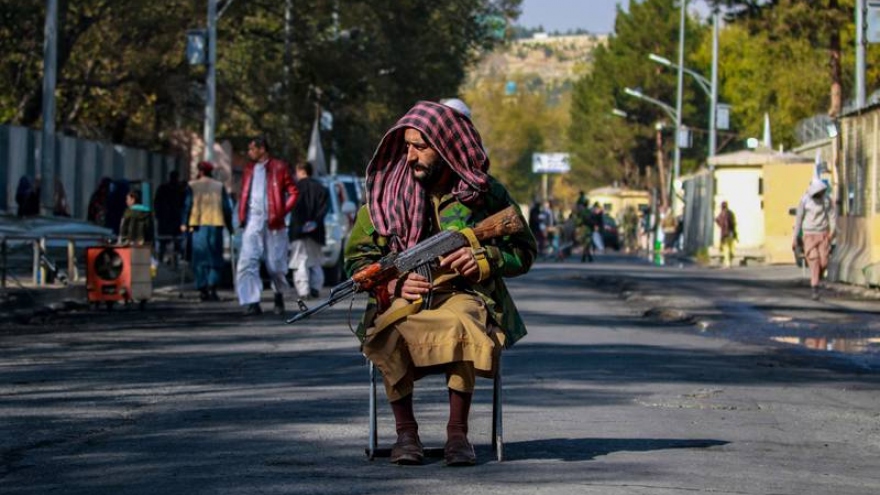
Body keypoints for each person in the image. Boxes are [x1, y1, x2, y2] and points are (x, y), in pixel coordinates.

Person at [344, 100, 536, 467]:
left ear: (446, 146)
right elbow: (357, 260)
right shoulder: (386, 195)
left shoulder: (486, 195)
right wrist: (395, 285)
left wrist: (483, 259)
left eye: (420, 146)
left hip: (464, 293)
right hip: (403, 296)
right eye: (407, 146)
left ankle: (457, 434)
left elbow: (524, 253)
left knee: (465, 321)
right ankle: (406, 434)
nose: (410, 155)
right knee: (391, 330)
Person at [236, 135, 298, 316]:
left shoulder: (279, 167)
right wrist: (241, 216)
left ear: (262, 149)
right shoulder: (249, 169)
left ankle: (278, 295)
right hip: (252, 221)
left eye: (252, 149)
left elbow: (294, 192)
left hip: (274, 223)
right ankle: (252, 301)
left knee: (275, 265)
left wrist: (281, 212)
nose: (249, 153)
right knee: (248, 261)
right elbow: (244, 194)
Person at [182, 161, 233, 302]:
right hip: (215, 224)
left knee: (199, 258)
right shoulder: (219, 186)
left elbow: (188, 205)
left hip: (198, 226)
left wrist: (183, 223)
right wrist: (230, 227)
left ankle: (202, 288)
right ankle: (212, 287)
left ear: (200, 171)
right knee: (215, 258)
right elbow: (226, 208)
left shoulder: (192, 185)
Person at [288, 160, 329, 300]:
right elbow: (323, 210)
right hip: (316, 231)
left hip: (297, 230)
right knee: (315, 261)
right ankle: (315, 287)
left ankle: (303, 290)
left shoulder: (294, 189)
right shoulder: (322, 189)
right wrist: (314, 222)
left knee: (300, 261)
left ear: (301, 170)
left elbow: (291, 208)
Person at [792, 179, 836, 300]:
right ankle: (815, 288)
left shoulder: (826, 200)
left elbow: (831, 216)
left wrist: (832, 231)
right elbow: (799, 219)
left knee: (824, 262)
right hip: (809, 235)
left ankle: (817, 277)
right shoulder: (805, 200)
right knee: (814, 260)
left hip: (823, 234)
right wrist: (795, 237)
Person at [154, 171, 185, 265]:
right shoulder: (179, 189)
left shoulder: (163, 188)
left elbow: (156, 203)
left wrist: (158, 215)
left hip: (167, 219)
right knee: (174, 241)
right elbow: (184, 204)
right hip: (173, 219)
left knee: (166, 241)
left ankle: (163, 259)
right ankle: (173, 260)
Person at [715, 201, 737, 269]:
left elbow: (717, 220)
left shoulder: (721, 214)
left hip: (724, 233)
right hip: (730, 232)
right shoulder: (730, 213)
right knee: (730, 247)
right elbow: (733, 223)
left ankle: (727, 263)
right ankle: (729, 261)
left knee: (726, 248)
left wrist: (721, 225)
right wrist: (734, 232)